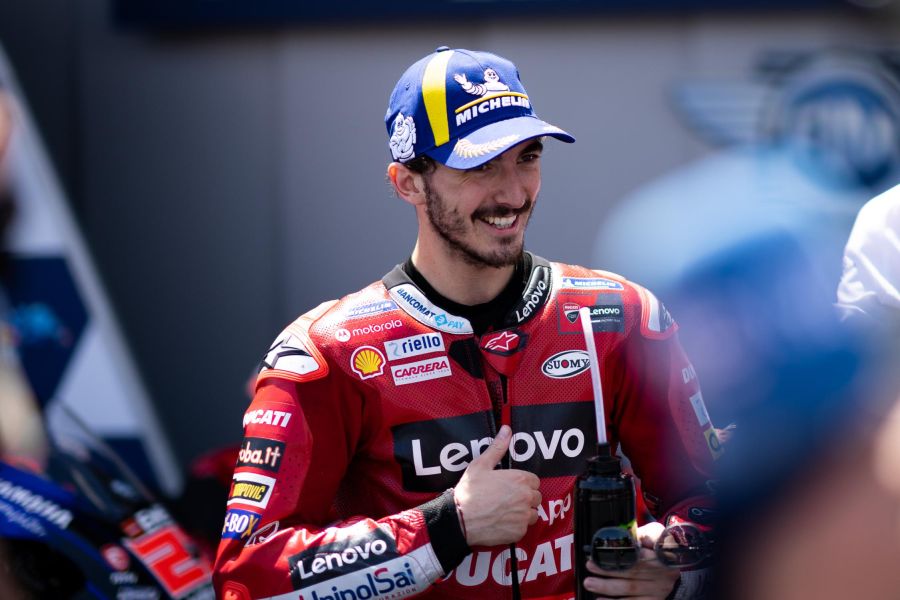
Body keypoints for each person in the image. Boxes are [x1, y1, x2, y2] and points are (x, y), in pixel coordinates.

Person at [213, 47, 718, 600]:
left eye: (527, 157)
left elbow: (723, 505)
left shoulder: (618, 318)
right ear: (407, 182)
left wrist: (673, 563)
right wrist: (447, 526)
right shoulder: (326, 352)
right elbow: (248, 576)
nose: (513, 193)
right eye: (480, 165)